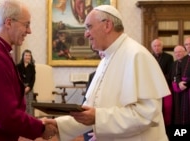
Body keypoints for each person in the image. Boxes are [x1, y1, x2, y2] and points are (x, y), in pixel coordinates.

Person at [45, 5, 170, 141]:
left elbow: (147, 115)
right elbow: (90, 111)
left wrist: (98, 117)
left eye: (89, 27)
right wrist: (59, 125)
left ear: (107, 25)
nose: (86, 34)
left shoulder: (137, 55)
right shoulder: (106, 59)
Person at [0, 0, 56, 141]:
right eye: (26, 24)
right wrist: (41, 128)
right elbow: (4, 116)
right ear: (8, 23)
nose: (29, 31)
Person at [168, 45, 187, 141]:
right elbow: (171, 77)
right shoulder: (174, 64)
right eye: (175, 52)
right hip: (176, 93)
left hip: (186, 92)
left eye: (180, 52)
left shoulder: (187, 62)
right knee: (176, 111)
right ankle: (178, 133)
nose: (177, 54)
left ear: (185, 52)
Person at [175, 37, 190, 133]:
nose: (188, 46)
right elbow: (177, 74)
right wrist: (179, 82)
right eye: (186, 44)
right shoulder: (184, 59)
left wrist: (187, 84)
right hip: (184, 91)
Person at [16, 49, 36, 116]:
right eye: (26, 55)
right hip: (20, 88)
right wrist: (22, 87)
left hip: (29, 88)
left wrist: (29, 87)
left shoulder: (32, 67)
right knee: (21, 104)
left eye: (29, 55)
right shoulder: (18, 66)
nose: (28, 57)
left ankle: (30, 119)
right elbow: (16, 78)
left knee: (29, 105)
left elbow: (33, 79)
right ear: (23, 56)